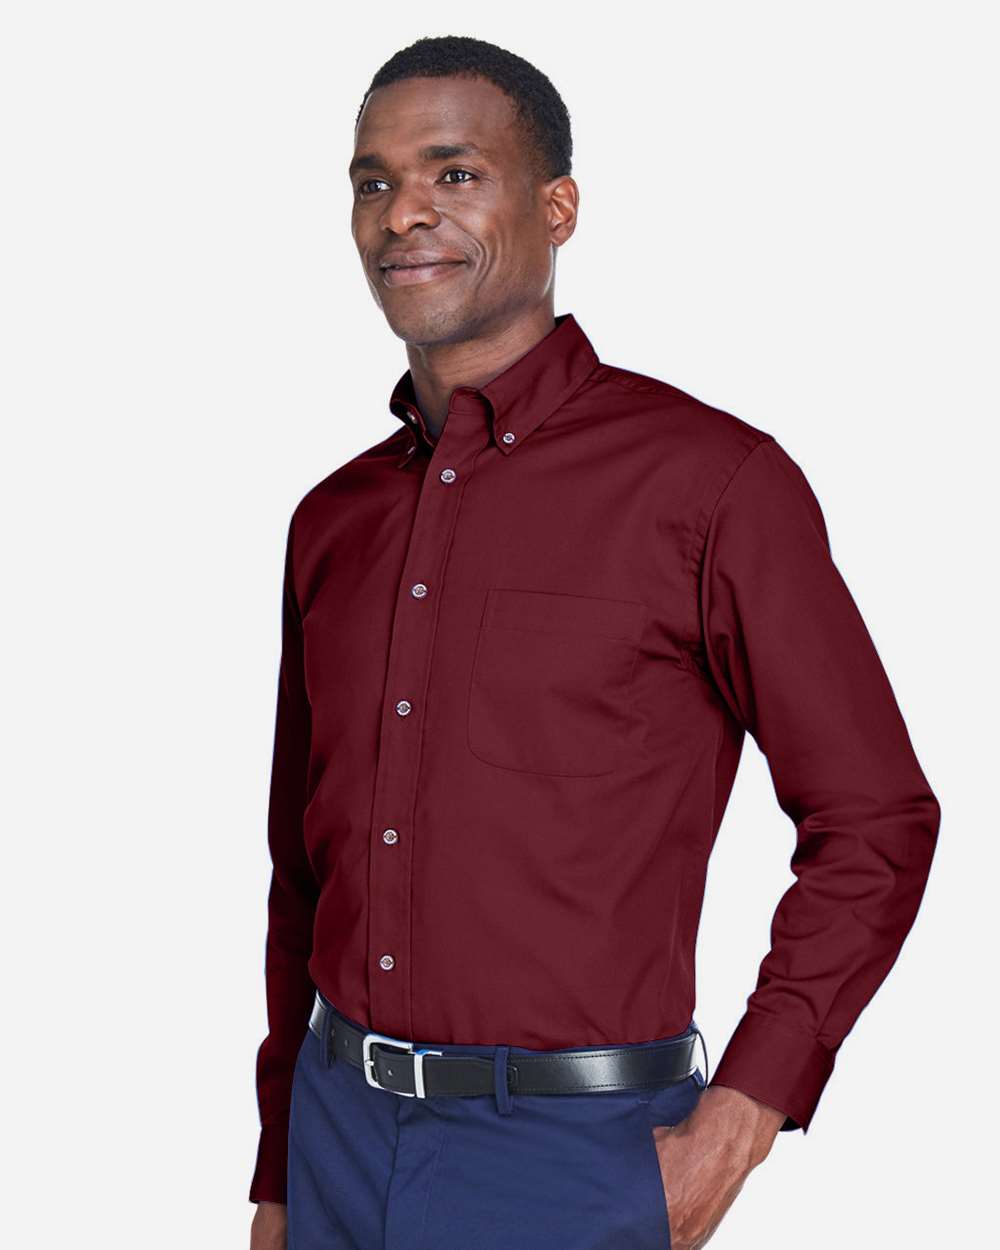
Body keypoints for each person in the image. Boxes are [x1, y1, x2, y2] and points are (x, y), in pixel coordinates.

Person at [248, 34, 940, 1250]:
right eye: (374, 182)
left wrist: (741, 1113)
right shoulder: (332, 519)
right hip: (336, 1139)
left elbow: (876, 817)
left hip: (575, 1160)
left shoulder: (712, 483)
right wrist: (277, 1169)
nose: (403, 212)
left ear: (557, 208)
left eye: (454, 173)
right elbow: (301, 877)